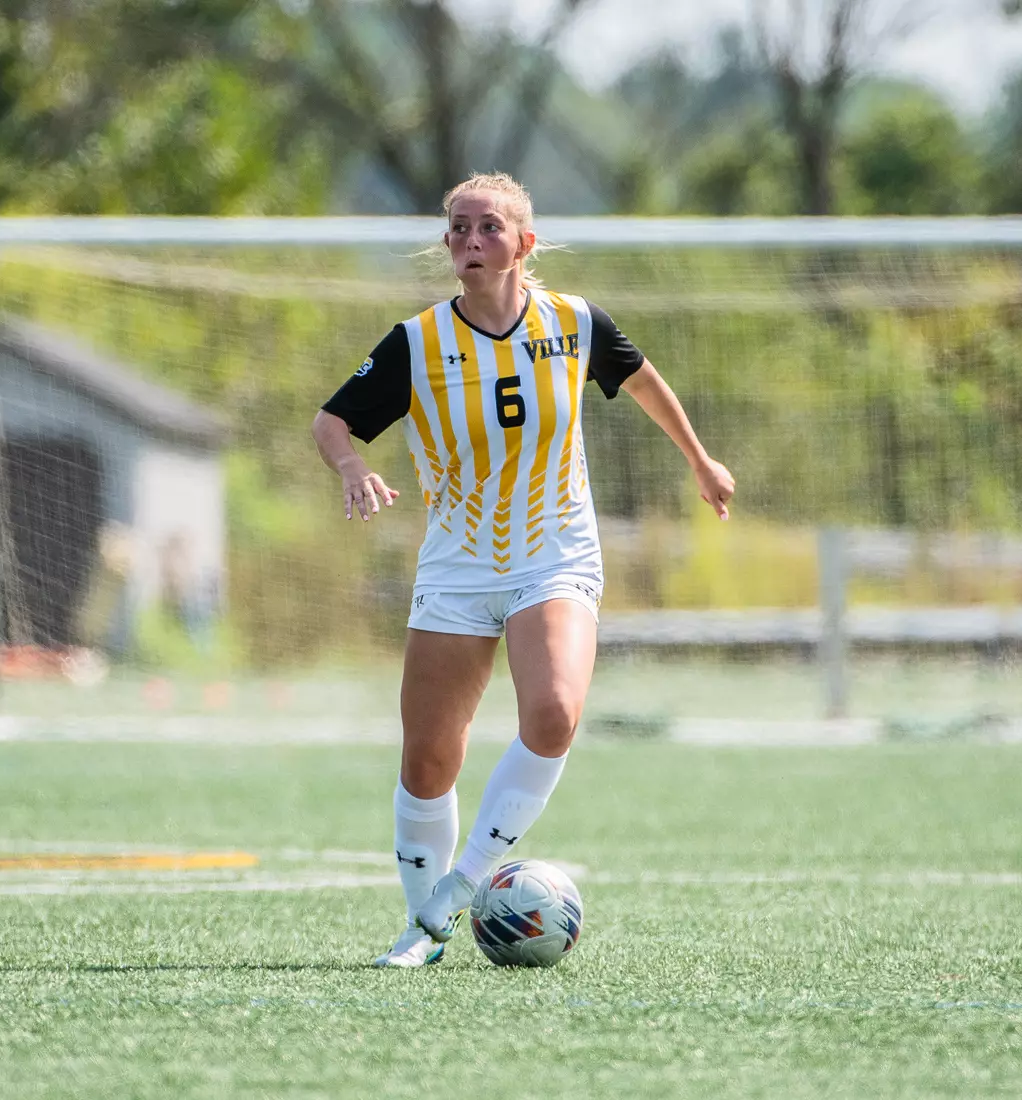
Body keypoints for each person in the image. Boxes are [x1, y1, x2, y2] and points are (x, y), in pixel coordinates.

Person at [312, 173, 735, 967]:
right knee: (429, 756)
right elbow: (332, 420)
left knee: (554, 711)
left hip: (554, 550)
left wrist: (700, 460)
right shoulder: (417, 342)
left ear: (523, 244)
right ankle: (420, 931)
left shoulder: (575, 324)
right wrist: (348, 467)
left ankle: (456, 894)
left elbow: (641, 378)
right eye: (458, 229)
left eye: (488, 229)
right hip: (458, 560)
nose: (470, 242)